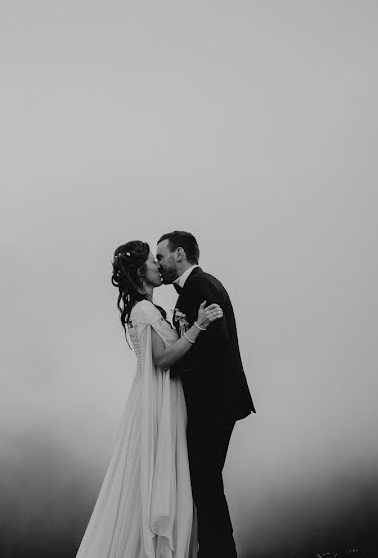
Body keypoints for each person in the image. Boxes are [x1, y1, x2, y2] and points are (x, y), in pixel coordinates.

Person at [75, 240, 224, 558]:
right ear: (141, 271)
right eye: (153, 261)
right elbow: (163, 358)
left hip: (160, 399)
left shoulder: (147, 308)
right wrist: (199, 326)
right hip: (157, 405)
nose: (159, 265)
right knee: (156, 479)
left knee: (154, 481)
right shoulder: (143, 310)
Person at [155, 231, 255, 558]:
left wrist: (179, 372)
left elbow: (216, 341)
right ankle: (215, 550)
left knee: (205, 481)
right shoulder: (198, 286)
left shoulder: (201, 286)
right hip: (216, 403)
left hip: (214, 404)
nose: (158, 263)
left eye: (161, 256)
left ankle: (219, 552)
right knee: (205, 480)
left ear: (179, 253)